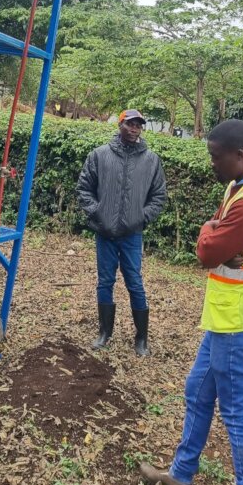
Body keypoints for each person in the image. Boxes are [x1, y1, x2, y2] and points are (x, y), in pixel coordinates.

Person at [139, 119, 243, 485]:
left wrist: (211, 238)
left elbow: (207, 251)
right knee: (197, 391)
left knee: (238, 416)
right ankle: (181, 476)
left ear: (240, 155)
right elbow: (214, 236)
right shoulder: (238, 187)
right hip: (225, 319)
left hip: (242, 322)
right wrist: (213, 234)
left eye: (215, 156)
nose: (211, 164)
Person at [76, 108, 167, 357]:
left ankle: (142, 337)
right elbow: (84, 188)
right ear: (120, 125)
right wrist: (98, 213)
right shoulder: (99, 155)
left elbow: (159, 196)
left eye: (138, 125)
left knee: (135, 283)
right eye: (130, 123)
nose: (134, 128)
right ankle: (105, 332)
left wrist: (141, 217)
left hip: (132, 234)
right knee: (105, 282)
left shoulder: (151, 160)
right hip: (104, 232)